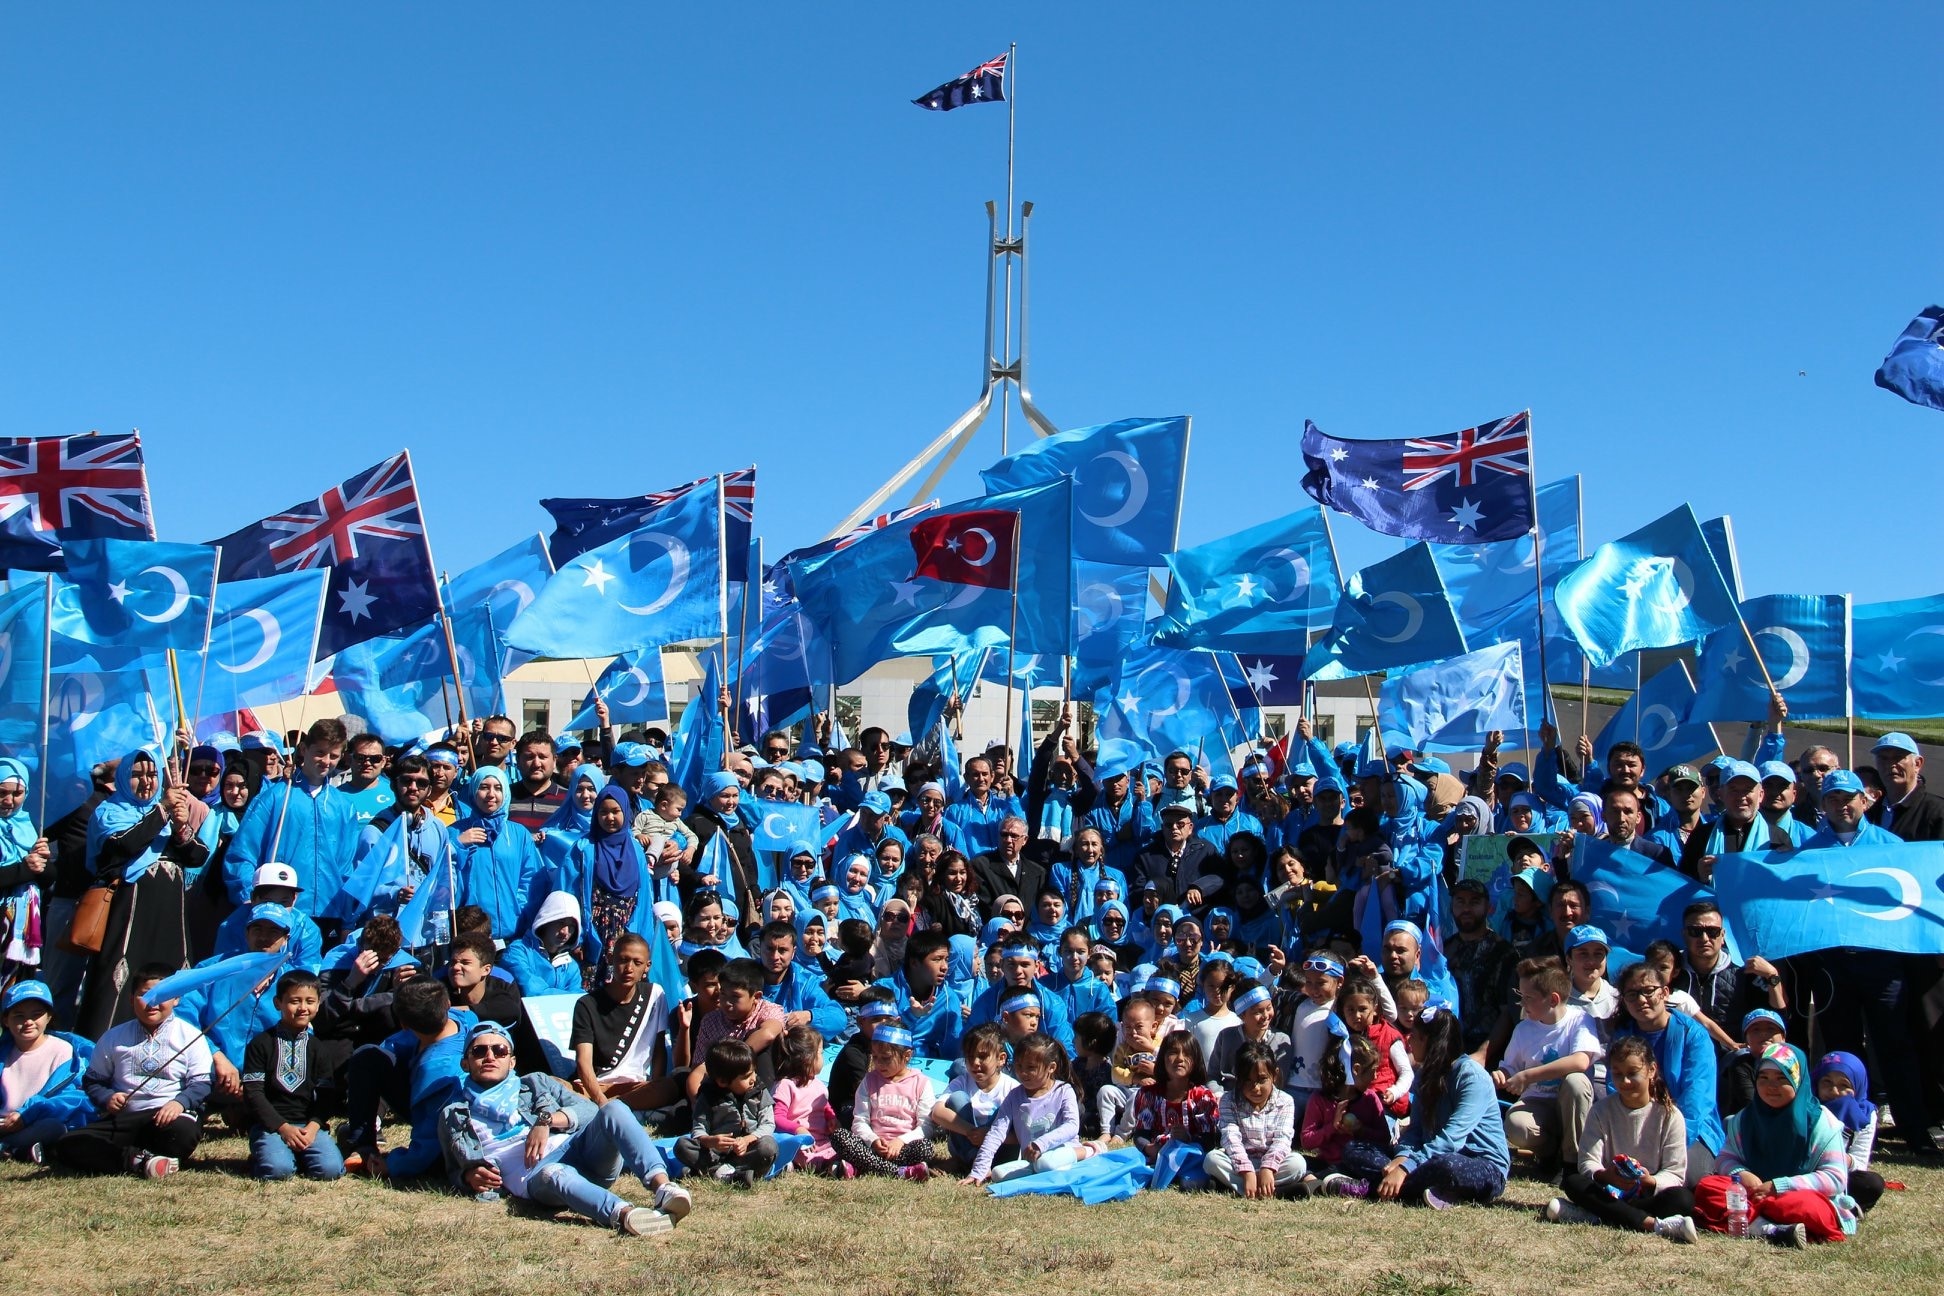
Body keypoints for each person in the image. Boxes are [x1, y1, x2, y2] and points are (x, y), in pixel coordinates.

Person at [438, 1020, 691, 1235]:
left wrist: (545, 1120)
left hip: (580, 1151)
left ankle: (663, 1188)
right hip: (537, 1177)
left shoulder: (535, 1083)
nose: (490, 1056)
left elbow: (590, 1111)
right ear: (465, 1063)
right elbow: (452, 1167)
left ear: (512, 1061)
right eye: (479, 1051)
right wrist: (468, 1177)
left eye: (499, 1050)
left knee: (614, 1109)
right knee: (554, 1172)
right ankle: (628, 1215)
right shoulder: (455, 1114)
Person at [77, 749, 207, 1038]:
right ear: (123, 778)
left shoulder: (165, 815)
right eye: (137, 775)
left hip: (169, 914)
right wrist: (161, 811)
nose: (147, 781)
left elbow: (198, 856)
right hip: (129, 911)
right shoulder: (111, 811)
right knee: (120, 978)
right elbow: (124, 845)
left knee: (170, 975)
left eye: (152, 774)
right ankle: (104, 1046)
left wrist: (181, 826)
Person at [1328, 1004, 1511, 1206]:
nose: (1408, 1040)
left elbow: (1452, 1139)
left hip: (1478, 1163)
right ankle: (1428, 1192)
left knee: (1447, 1166)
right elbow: (1416, 1130)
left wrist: (1406, 1168)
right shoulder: (1424, 1075)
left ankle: (1369, 1189)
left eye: (1414, 1036)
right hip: (1427, 1157)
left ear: (1429, 1042)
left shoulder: (1471, 1077)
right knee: (1354, 1149)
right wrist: (1403, 1157)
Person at [52, 964, 211, 1177]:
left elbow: (201, 1083)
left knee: (184, 1133)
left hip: (167, 1118)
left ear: (176, 999)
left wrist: (178, 1103)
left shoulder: (191, 1036)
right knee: (69, 1143)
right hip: (124, 1119)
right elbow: (93, 1081)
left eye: (162, 994)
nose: (152, 1003)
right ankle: (137, 1161)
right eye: (144, 995)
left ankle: (139, 1157)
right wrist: (108, 1098)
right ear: (131, 999)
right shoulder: (113, 1038)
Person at [1692, 1042, 1859, 1246]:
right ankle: (1767, 1228)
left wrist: (1779, 1186)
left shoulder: (1821, 1122)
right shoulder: (1744, 1119)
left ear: (1798, 1080)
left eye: (1782, 1078)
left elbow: (1835, 1178)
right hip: (1753, 1193)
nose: (1771, 1087)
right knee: (1709, 1187)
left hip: (1795, 1196)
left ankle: (1758, 1220)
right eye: (1764, 1078)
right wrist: (1742, 1174)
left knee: (1804, 1206)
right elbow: (1726, 1157)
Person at [1543, 1034, 1698, 1241]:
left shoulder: (1669, 1115)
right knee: (1573, 1182)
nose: (1624, 1082)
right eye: (1617, 1074)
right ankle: (1653, 1224)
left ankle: (1596, 1215)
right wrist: (1607, 1176)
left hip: (1645, 1195)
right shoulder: (1601, 1110)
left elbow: (1675, 1172)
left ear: (1651, 1070)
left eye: (1632, 1074)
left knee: (1683, 1199)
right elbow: (1588, 1162)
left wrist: (1649, 1181)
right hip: (1608, 1190)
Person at [222, 718, 361, 921]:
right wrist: (249, 899)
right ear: (304, 749)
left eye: (333, 755)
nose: (326, 761)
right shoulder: (275, 797)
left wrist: (347, 917)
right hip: (278, 912)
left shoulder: (343, 807)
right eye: (320, 752)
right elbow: (242, 855)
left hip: (329, 912)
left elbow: (347, 868)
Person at [339, 975, 473, 1180]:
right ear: (447, 1004)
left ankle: (362, 1143)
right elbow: (393, 1046)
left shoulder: (438, 1073)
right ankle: (363, 1143)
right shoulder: (464, 1020)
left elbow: (431, 1135)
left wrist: (393, 1164)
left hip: (453, 1130)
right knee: (369, 1056)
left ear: (403, 1024)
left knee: (366, 1056)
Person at [1609, 960, 1723, 1185]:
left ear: (1665, 992)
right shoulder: (1622, 1036)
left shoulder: (1694, 1035)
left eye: (1648, 991)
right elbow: (1616, 1088)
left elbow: (1697, 1099)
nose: (1641, 999)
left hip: (1690, 1130)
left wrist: (1667, 1141)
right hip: (1634, 1125)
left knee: (1690, 1179)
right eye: (1632, 994)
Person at [240, 968, 350, 1181]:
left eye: (310, 1001)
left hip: (308, 1126)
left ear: (318, 1004)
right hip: (271, 1126)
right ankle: (268, 1156)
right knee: (278, 1171)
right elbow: (253, 1094)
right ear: (278, 1003)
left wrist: (313, 1126)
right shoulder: (261, 1044)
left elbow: (327, 1095)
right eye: (294, 1001)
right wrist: (283, 1128)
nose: (303, 1008)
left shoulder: (319, 1048)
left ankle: (298, 1154)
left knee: (330, 1171)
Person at [1495, 957, 1601, 1173]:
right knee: (1516, 1125)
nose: (1522, 1003)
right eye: (1520, 996)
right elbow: (1511, 1067)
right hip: (1538, 1101)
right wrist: (1501, 1075)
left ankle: (1572, 1163)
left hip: (1572, 1104)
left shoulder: (1580, 1020)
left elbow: (1581, 1061)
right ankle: (1551, 1154)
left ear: (1552, 1000)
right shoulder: (1524, 1029)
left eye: (1528, 997)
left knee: (1576, 1082)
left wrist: (1528, 1076)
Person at [570, 934, 674, 1112]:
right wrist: (600, 1099)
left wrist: (654, 1084)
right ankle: (611, 1108)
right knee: (553, 1084)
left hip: (635, 1086)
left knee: (668, 1087)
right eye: (623, 960)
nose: (629, 968)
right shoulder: (586, 1004)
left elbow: (658, 1049)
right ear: (611, 959)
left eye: (637, 962)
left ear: (647, 966)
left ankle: (610, 1108)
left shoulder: (655, 994)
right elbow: (583, 1062)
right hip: (594, 1086)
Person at [964, 1031, 1085, 1185]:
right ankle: (1038, 1170)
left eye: (1031, 1067)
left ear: (1051, 1067)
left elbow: (1072, 1126)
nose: (1023, 1072)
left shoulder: (1063, 1091)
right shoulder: (1014, 1096)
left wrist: (1041, 1143)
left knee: (1046, 1163)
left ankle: (1089, 1151)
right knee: (997, 1174)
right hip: (1032, 1160)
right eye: (1019, 1066)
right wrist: (979, 1170)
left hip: (1065, 1150)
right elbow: (996, 1133)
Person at [0, 979, 93, 1159]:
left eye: (36, 1014)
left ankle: (10, 1148)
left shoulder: (64, 1051)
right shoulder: (3, 1051)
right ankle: (18, 1150)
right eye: (19, 1015)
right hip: (3, 1122)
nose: (28, 1022)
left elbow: (72, 1098)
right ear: (6, 1020)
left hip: (35, 1121)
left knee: (53, 1127)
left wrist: (26, 1115)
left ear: (49, 1016)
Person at [831, 1022, 936, 1180]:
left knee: (926, 1148)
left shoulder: (921, 1083)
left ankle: (863, 1166)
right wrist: (873, 1140)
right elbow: (859, 1121)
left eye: (886, 1058)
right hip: (873, 1147)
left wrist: (900, 1141)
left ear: (906, 1055)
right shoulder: (869, 1081)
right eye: (875, 1057)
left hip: (904, 1148)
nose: (879, 1063)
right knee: (840, 1136)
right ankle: (901, 1172)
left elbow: (926, 1126)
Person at [453, 767, 543, 941]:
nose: (491, 794)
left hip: (514, 934)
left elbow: (532, 880)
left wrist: (518, 910)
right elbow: (446, 882)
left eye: (498, 788)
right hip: (471, 934)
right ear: (473, 791)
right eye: (484, 787)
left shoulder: (518, 834)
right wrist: (457, 846)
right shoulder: (455, 832)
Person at [675, 1038, 779, 1187]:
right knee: (682, 1146)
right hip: (715, 1154)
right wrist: (711, 1141)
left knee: (768, 1147)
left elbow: (768, 1124)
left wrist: (748, 1139)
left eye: (754, 1072)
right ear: (722, 1081)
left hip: (747, 1150)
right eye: (746, 1076)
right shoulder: (708, 1096)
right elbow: (698, 1128)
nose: (753, 1078)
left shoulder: (759, 1091)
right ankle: (726, 1173)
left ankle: (710, 1172)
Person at [1207, 1040, 1304, 1198]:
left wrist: (1268, 1168)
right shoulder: (1228, 1100)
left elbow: (1282, 1139)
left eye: (1262, 1080)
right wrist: (1246, 1170)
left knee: (1298, 1163)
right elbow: (1231, 1138)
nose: (1256, 1088)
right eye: (1248, 1081)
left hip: (1274, 1164)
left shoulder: (1285, 1101)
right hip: (1239, 1161)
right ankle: (1273, 1191)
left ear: (1274, 1075)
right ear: (1238, 1078)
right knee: (1212, 1159)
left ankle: (1242, 1188)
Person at [1129, 1029, 1220, 1174]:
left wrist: (1187, 1139)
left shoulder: (1203, 1097)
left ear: (1196, 1060)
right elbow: (1140, 1134)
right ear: (1162, 1058)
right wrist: (1149, 1148)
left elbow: (1209, 1140)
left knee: (1193, 1182)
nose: (1180, 1058)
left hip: (1191, 1158)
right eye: (1173, 1053)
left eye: (1187, 1054)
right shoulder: (1148, 1095)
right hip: (1155, 1158)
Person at [931, 1022, 1019, 1169]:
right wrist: (970, 1131)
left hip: (1000, 1151)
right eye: (970, 1057)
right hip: (968, 1144)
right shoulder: (962, 1081)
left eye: (983, 1056)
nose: (975, 1063)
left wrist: (989, 1135)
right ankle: (970, 1160)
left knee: (1009, 1106)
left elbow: (1021, 1134)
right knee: (957, 1098)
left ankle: (981, 1164)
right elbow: (937, 1112)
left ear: (1001, 1059)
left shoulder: (1012, 1087)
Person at [1811, 1051, 1885, 1213]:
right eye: (1827, 1082)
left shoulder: (1866, 1114)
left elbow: (1859, 1162)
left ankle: (1831, 1207)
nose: (1834, 1091)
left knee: (1871, 1183)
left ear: (1857, 1086)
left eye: (1844, 1085)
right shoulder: (1808, 1106)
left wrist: (1836, 1157)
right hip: (1804, 1173)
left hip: (1837, 1173)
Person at [771, 1024, 838, 1174]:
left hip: (821, 1139)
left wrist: (831, 1117)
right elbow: (777, 1117)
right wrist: (798, 1130)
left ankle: (834, 1163)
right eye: (821, 1053)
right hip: (799, 1141)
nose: (823, 1058)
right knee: (802, 1154)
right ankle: (826, 1167)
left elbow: (824, 1104)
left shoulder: (818, 1084)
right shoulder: (785, 1085)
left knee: (839, 1146)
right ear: (807, 1058)